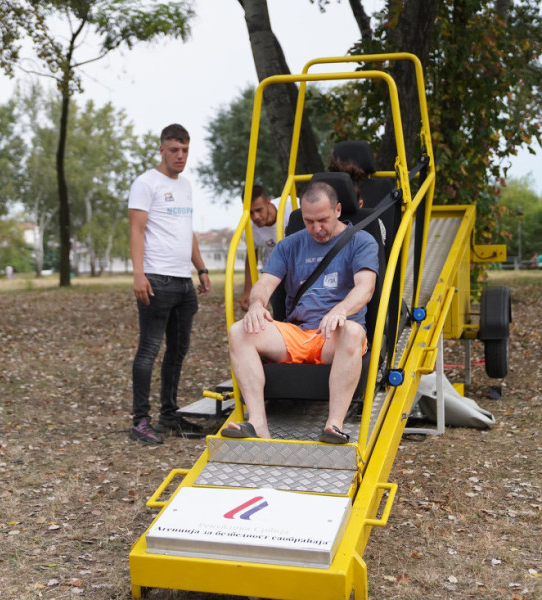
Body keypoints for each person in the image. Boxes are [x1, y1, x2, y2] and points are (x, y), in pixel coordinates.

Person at [222, 181, 378, 443]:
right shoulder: (289, 245)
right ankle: (257, 423)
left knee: (352, 331)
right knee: (239, 331)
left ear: (338, 210)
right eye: (309, 221)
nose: (316, 228)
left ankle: (334, 425)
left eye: (323, 220)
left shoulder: (361, 241)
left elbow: (366, 287)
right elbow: (265, 284)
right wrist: (257, 304)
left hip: (335, 336)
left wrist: (340, 310)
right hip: (297, 333)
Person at [127, 123, 211, 445]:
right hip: (156, 280)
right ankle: (140, 421)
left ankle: (169, 415)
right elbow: (136, 231)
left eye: (185, 150)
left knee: (178, 351)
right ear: (162, 149)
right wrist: (138, 273)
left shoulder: (186, 186)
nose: (180, 156)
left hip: (183, 282)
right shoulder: (145, 183)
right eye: (174, 149)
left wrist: (200, 268)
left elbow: (186, 231)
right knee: (149, 349)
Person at [239, 184, 292, 310]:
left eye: (258, 210)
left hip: (298, 267)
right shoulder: (249, 228)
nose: (255, 217)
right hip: (275, 273)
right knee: (280, 314)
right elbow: (251, 256)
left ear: (268, 202)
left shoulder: (290, 205)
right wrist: (248, 290)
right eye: (251, 212)